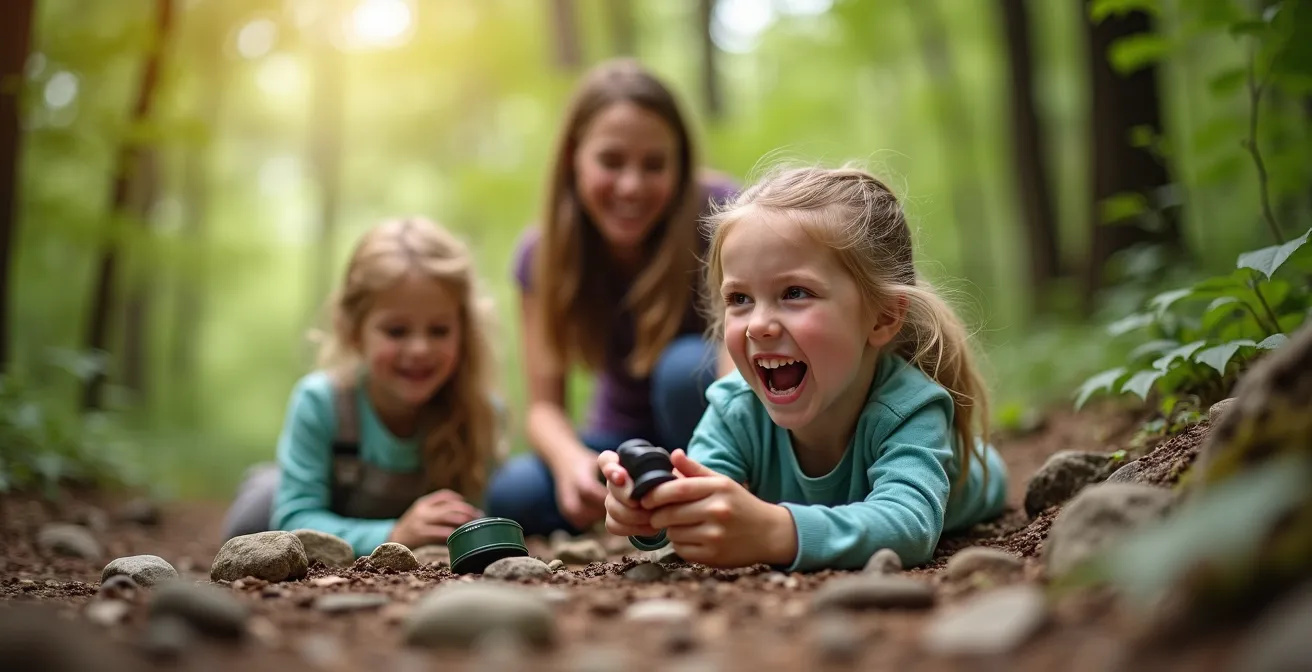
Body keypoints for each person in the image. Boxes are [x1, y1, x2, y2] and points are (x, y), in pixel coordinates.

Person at [598, 164, 1010, 572]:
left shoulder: (910, 410)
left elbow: (909, 526)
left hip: (977, 480)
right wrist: (652, 510)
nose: (758, 324)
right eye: (739, 299)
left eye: (795, 293)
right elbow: (700, 500)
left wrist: (777, 531)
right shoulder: (736, 408)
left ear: (883, 318)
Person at [482, 58, 738, 538]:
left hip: (719, 422)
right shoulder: (543, 256)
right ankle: (650, 509)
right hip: (623, 441)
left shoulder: (722, 214)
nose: (631, 186)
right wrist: (570, 463)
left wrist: (722, 450)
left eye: (654, 165)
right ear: (574, 157)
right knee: (513, 493)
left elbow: (740, 367)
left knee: (685, 370)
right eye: (611, 161)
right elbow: (543, 408)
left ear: (681, 164)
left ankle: (704, 496)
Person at [220, 217, 505, 558]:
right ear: (354, 331)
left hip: (382, 530)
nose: (419, 349)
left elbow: (470, 515)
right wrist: (397, 532)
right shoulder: (322, 402)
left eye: (439, 330)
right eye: (396, 331)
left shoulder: (478, 412)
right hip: (314, 511)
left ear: (464, 332)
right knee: (257, 513)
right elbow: (295, 519)